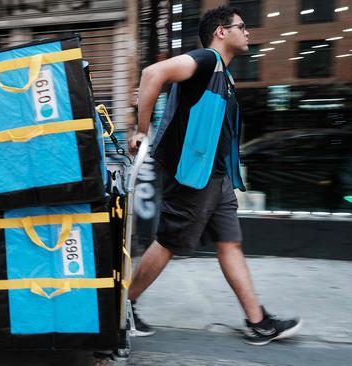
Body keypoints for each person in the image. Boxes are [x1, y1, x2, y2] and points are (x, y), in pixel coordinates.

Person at [126, 5, 302, 346]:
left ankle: (258, 322)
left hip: (216, 178)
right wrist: (141, 131)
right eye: (241, 26)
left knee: (229, 243)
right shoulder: (206, 60)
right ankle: (125, 306)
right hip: (193, 176)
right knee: (168, 242)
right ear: (221, 32)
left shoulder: (223, 73)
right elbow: (152, 74)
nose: (247, 32)